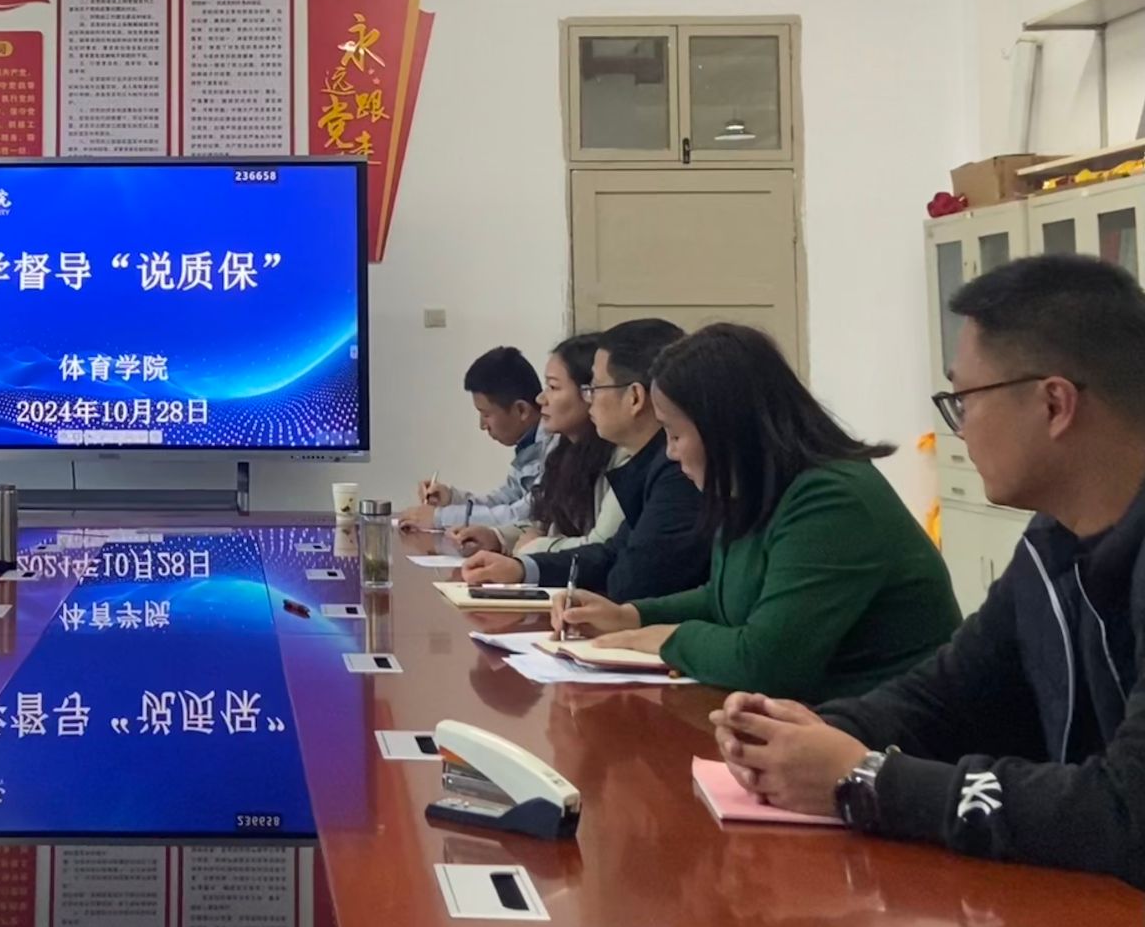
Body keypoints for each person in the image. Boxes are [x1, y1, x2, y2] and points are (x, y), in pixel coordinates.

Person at [712, 256, 1145, 884]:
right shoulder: (1051, 542)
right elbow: (949, 695)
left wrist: (868, 781)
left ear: (1055, 404)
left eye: (963, 401)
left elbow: (1128, 815)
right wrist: (801, 737)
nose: (959, 430)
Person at [555, 323, 961, 699]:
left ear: (724, 430)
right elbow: (725, 597)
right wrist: (630, 616)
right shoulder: (754, 489)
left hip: (890, 733)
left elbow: (765, 664)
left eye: (675, 434)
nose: (671, 453)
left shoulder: (831, 499)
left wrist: (666, 639)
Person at [462, 319, 706, 600]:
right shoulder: (634, 460)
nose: (589, 398)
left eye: (595, 388)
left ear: (635, 398)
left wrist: (533, 552)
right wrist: (521, 567)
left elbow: (629, 578)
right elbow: (609, 554)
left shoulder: (670, 469)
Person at [444, 334, 626, 570]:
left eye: (553, 387)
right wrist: (497, 537)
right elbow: (541, 521)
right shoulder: (562, 449)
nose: (541, 398)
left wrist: (538, 546)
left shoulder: (621, 457)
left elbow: (600, 546)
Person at [397, 347, 548, 533]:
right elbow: (504, 500)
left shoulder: (557, 447)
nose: (482, 425)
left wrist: (440, 518)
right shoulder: (529, 444)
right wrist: (452, 499)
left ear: (521, 410)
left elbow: (522, 515)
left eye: (486, 414)